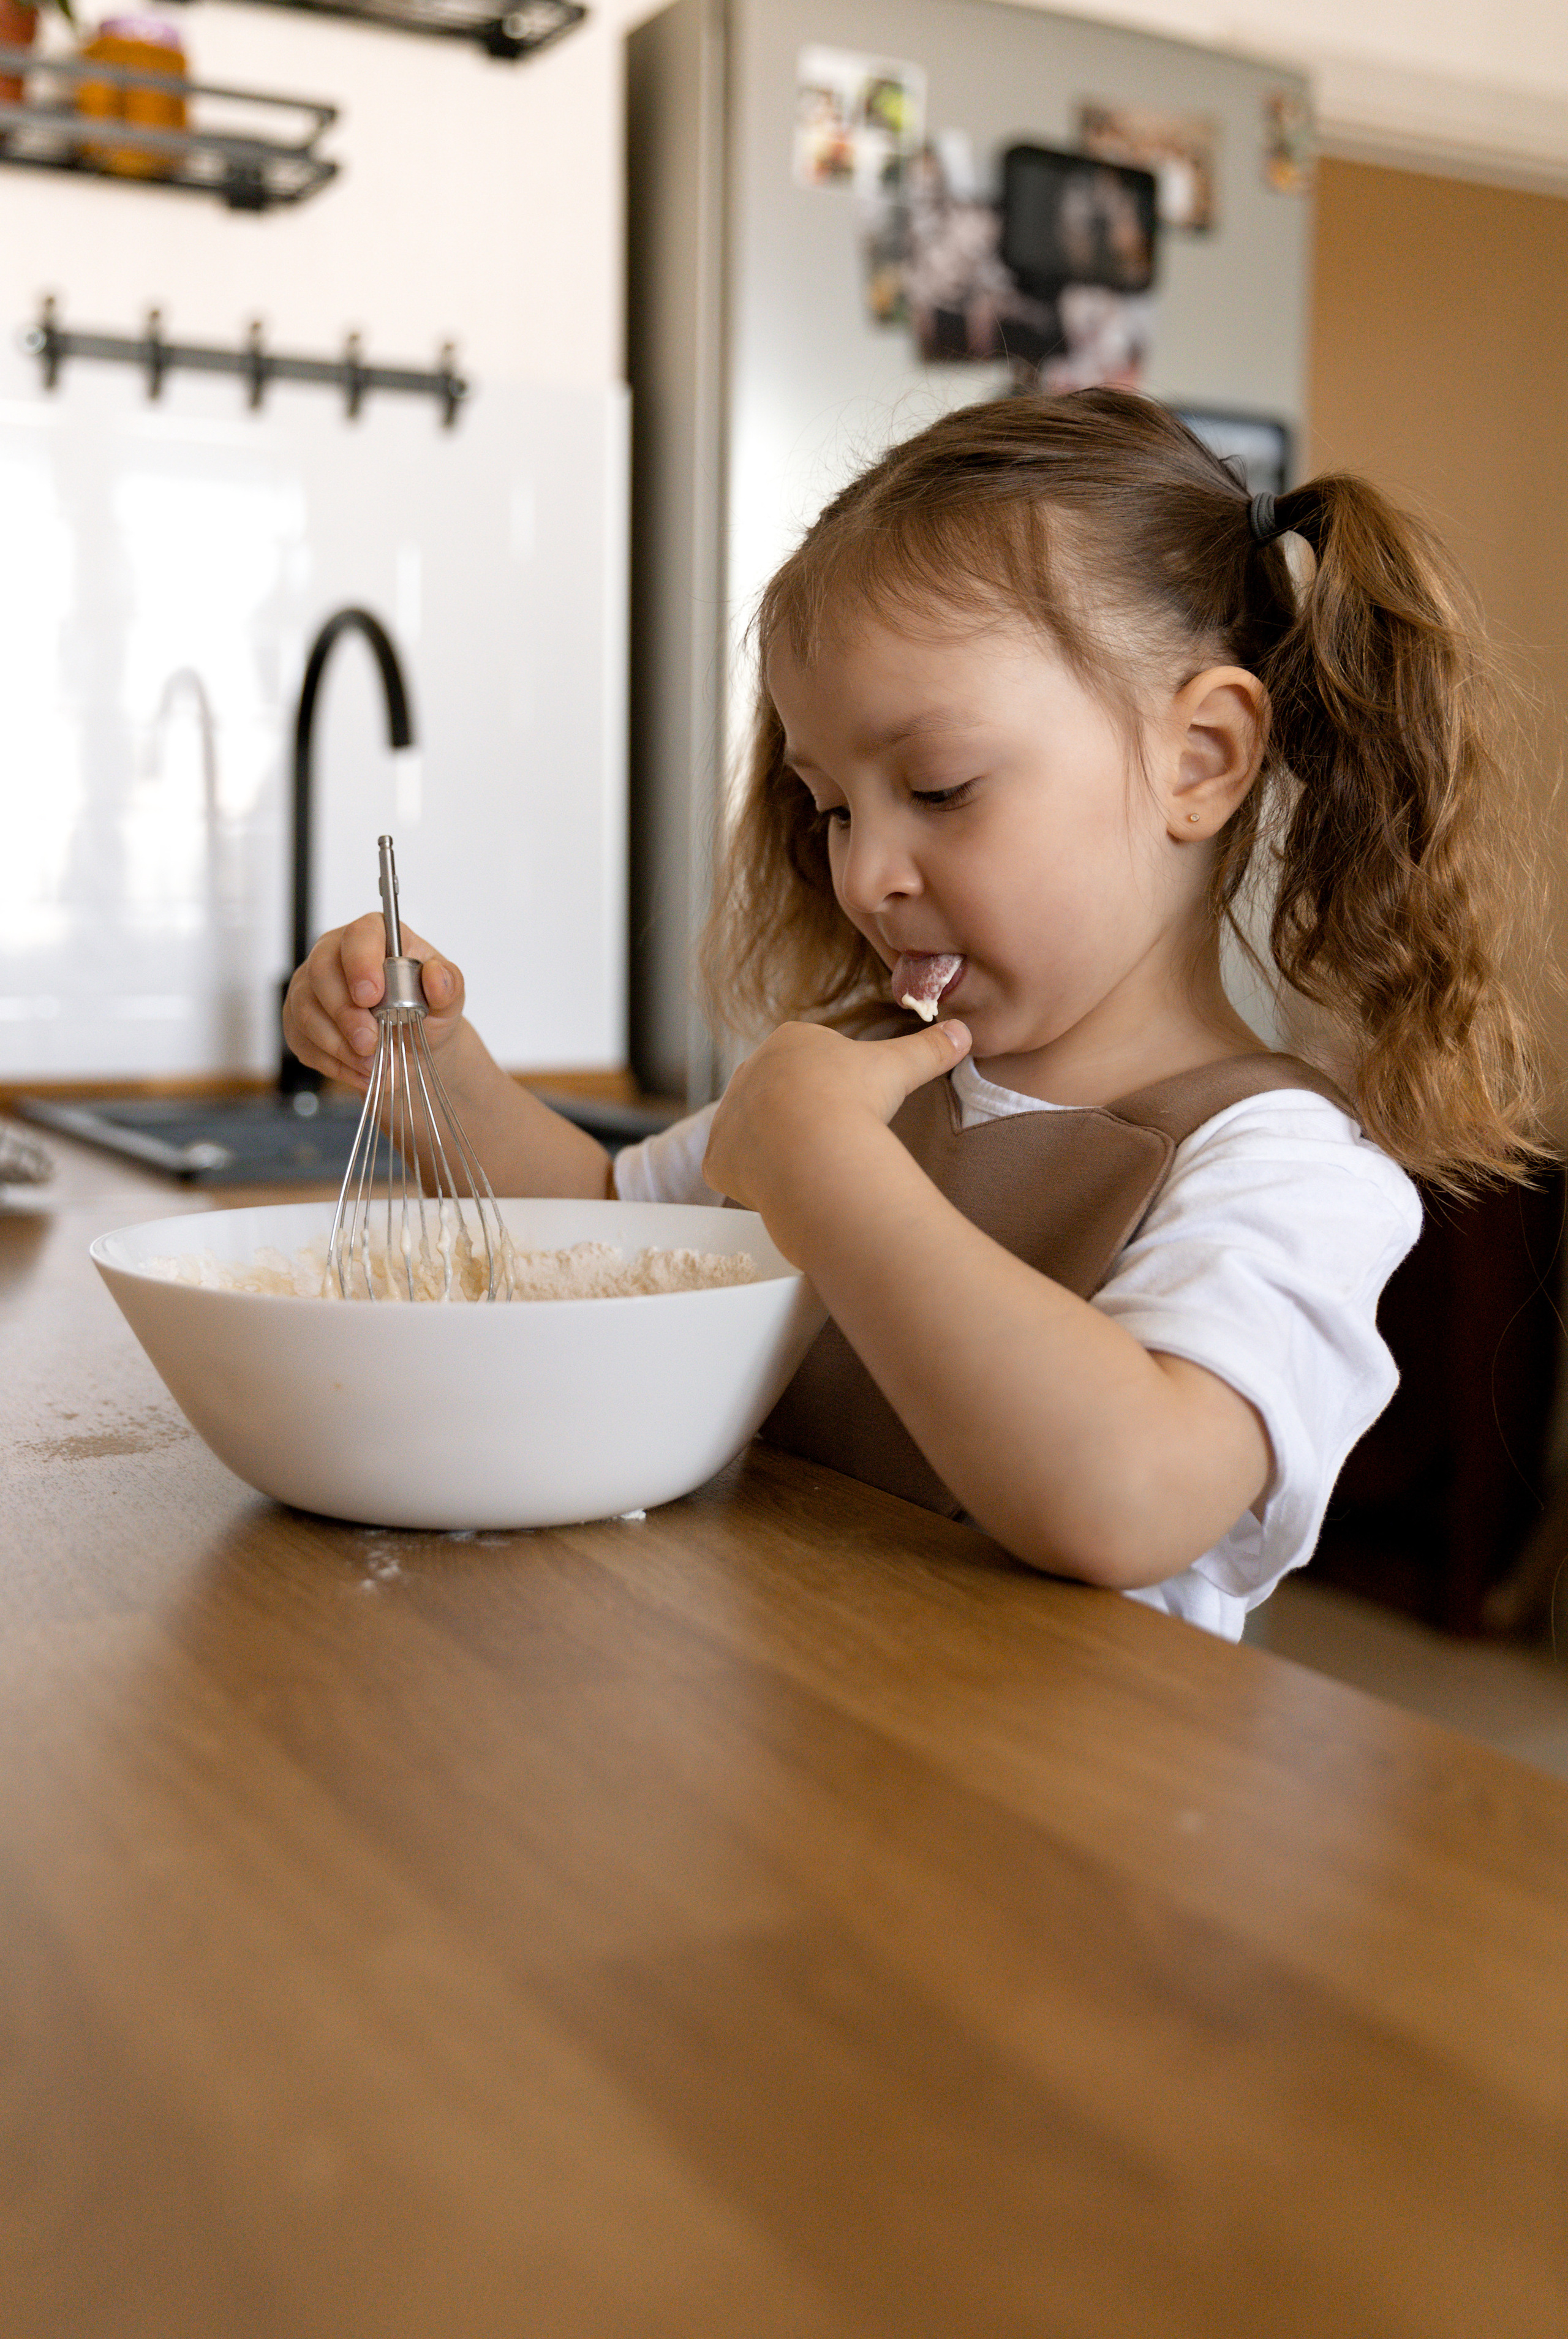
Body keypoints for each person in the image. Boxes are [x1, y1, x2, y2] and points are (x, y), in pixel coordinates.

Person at [284, 391, 1550, 1639]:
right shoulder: (858, 1082)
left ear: (1199, 759)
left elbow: (1126, 1496)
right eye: (831, 806)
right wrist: (427, 1073)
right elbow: (594, 1240)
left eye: (938, 789)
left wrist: (830, 1176)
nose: (862, 872)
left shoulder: (1275, 1169)